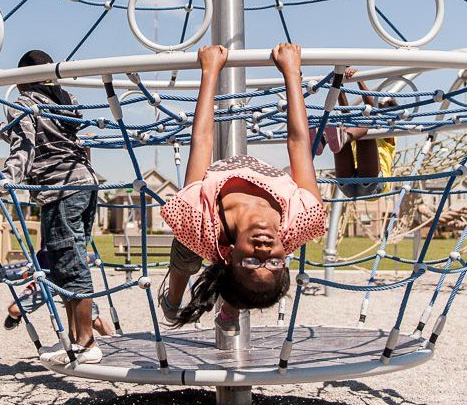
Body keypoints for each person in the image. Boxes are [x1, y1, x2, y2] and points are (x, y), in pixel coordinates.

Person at [158, 43, 326, 326]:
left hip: (211, 227)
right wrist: (291, 73)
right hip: (256, 206)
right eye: (274, 263)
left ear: (231, 255)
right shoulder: (302, 219)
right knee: (240, 284)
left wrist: (210, 70)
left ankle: (172, 302)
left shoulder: (200, 221)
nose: (263, 252)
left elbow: (202, 141)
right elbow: (299, 143)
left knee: (187, 250)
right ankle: (230, 308)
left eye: (250, 262)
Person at [0, 50, 104, 364]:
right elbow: (47, 138)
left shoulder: (24, 103)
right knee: (67, 264)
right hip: (86, 185)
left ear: (21, 80)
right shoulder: (66, 99)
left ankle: (87, 343)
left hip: (60, 189)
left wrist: (2, 182)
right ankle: (77, 342)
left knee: (70, 267)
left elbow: (25, 149)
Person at [312, 67, 396, 200]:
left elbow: (374, 113)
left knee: (363, 124)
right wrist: (338, 84)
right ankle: (323, 140)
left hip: (374, 187)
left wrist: (360, 80)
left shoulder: (389, 132)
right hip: (348, 183)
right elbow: (347, 115)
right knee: (344, 122)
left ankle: (328, 137)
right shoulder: (360, 128)